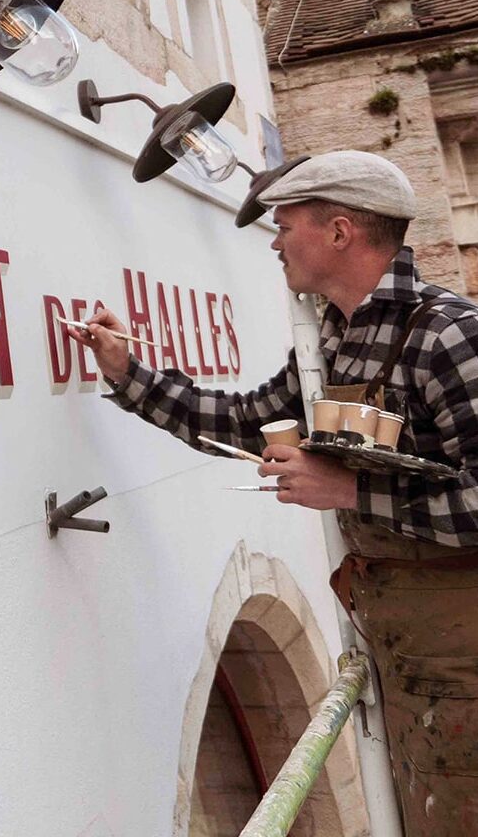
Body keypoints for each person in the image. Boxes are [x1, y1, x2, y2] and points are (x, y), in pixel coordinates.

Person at [74, 150, 478, 835]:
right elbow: (242, 423)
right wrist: (128, 371)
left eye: (285, 224)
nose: (273, 241)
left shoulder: (449, 333)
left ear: (341, 231)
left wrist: (350, 490)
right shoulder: (333, 338)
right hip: (404, 645)